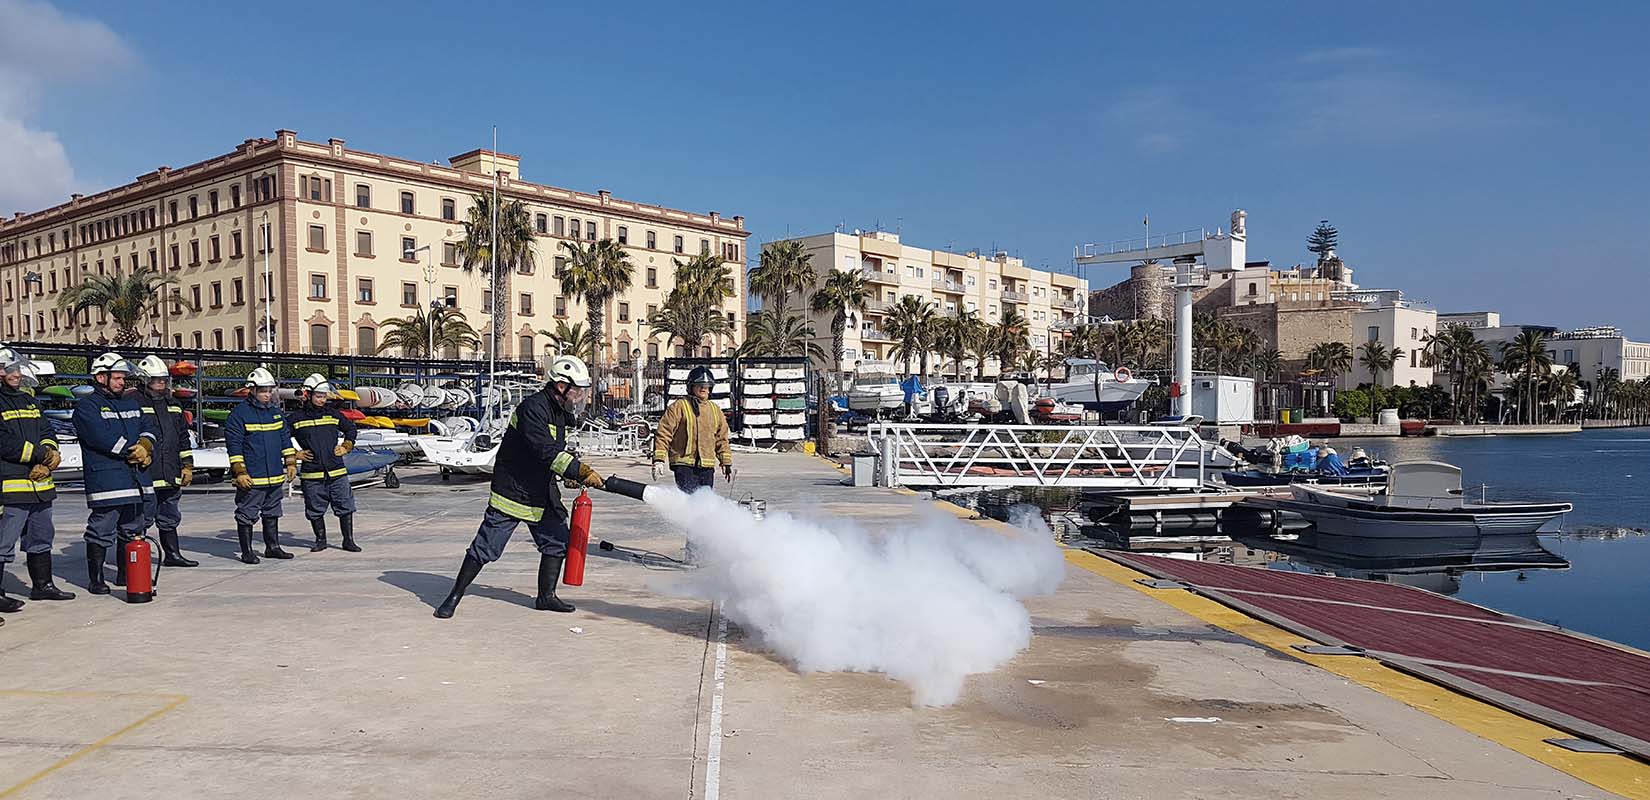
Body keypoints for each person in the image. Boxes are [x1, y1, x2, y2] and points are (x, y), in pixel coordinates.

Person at [433, 355, 606, 619]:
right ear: (561, 386)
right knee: (486, 548)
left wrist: (568, 475)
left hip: (541, 490)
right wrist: (579, 471)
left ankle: (546, 597)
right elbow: (544, 450)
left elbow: (555, 452)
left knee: (557, 541)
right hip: (513, 490)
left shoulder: (560, 412)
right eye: (578, 390)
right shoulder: (532, 409)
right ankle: (453, 596)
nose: (580, 395)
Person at [72, 353, 157, 595]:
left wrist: (146, 445)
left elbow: (148, 427)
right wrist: (133, 450)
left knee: (132, 528)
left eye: (123, 378)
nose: (122, 382)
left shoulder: (131, 403)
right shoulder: (87, 407)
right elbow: (101, 437)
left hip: (135, 478)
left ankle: (125, 573)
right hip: (107, 480)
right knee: (102, 529)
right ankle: (96, 579)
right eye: (117, 378)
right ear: (101, 377)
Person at [0, 348, 74, 610]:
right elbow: (5, 443)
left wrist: (51, 451)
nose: (15, 374)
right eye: (9, 370)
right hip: (10, 486)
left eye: (17, 369)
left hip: (40, 486)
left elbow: (46, 429)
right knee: (3, 543)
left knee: (41, 537)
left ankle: (42, 586)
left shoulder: (30, 401)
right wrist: (42, 455)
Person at [130, 355, 198, 569]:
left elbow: (182, 437)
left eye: (163, 380)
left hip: (170, 471)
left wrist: (187, 465)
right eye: (156, 380)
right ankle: (134, 561)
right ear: (144, 380)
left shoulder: (173, 404)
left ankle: (172, 553)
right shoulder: (133, 403)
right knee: (141, 518)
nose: (161, 384)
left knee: (170, 514)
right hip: (146, 471)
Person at [224, 367, 297, 564]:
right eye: (263, 390)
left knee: (272, 512)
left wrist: (290, 462)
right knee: (247, 513)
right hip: (252, 477)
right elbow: (234, 446)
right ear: (252, 390)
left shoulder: (275, 413)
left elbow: (285, 439)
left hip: (274, 475)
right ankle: (247, 551)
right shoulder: (239, 415)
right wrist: (239, 472)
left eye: (269, 390)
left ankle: (272, 547)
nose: (267, 394)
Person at [287, 373, 360, 553]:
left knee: (345, 505)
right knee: (314, 509)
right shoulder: (295, 418)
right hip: (312, 473)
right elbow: (280, 439)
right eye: (319, 396)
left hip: (336, 472)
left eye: (324, 396)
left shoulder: (333, 414)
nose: (322, 400)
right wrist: (295, 454)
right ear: (307, 395)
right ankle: (321, 540)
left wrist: (347, 446)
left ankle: (348, 540)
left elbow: (350, 429)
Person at [650, 366, 733, 492]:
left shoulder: (715, 410)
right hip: (683, 464)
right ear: (691, 387)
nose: (703, 388)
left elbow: (722, 438)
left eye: (706, 386)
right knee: (690, 501)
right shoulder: (679, 406)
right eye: (699, 385)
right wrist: (658, 459)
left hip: (706, 466)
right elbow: (664, 433)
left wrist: (725, 461)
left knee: (704, 501)